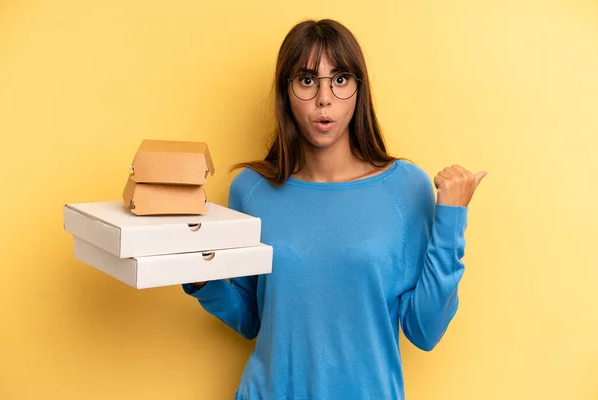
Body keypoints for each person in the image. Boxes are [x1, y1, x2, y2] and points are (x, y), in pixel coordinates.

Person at [182, 18, 487, 400]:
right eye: (307, 80)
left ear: (359, 90)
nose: (324, 99)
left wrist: (451, 221)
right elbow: (251, 318)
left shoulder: (405, 188)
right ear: (286, 92)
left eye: (340, 80)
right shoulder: (251, 190)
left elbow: (425, 331)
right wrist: (200, 280)